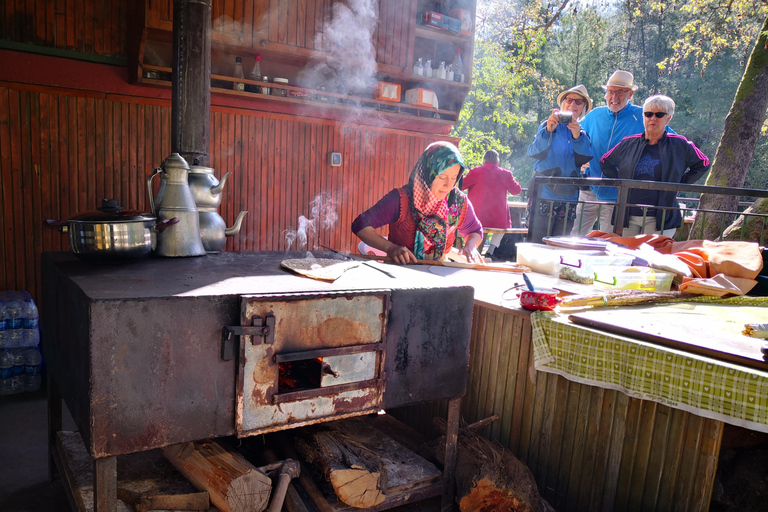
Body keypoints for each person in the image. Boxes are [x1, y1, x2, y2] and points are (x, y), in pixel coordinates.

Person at [571, 70, 672, 236]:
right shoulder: (595, 115)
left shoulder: (643, 116)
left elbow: (669, 139)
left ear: (630, 94)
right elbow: (575, 138)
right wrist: (577, 160)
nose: (614, 98)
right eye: (611, 92)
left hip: (618, 195)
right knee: (574, 237)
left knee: (609, 243)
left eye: (620, 92)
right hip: (589, 189)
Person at [351, 141, 484, 264]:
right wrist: (390, 248)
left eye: (454, 178)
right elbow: (361, 225)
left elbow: (475, 230)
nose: (448, 185)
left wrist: (471, 246)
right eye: (442, 177)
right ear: (427, 173)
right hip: (401, 273)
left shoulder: (457, 202)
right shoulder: (402, 199)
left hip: (439, 272)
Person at [599, 95, 710, 236]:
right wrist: (620, 183)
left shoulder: (679, 144)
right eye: (648, 114)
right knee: (627, 255)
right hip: (627, 215)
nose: (653, 118)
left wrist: (680, 183)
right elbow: (605, 161)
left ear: (668, 118)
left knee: (655, 257)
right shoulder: (628, 143)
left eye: (659, 114)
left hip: (661, 217)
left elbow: (703, 163)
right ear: (643, 116)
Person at [526, 84, 594, 243]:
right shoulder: (547, 125)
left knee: (560, 244)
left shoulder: (582, 133)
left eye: (578, 102)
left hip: (568, 199)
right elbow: (533, 152)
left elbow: (584, 158)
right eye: (569, 100)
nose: (573, 105)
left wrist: (577, 136)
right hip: (543, 195)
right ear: (562, 103)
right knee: (537, 244)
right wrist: (548, 130)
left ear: (583, 107)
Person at [462, 149, 522, 255]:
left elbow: (460, 186)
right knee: (504, 226)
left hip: (477, 218)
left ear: (483, 162)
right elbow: (517, 190)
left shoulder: (475, 172)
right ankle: (491, 250)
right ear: (497, 162)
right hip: (499, 221)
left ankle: (472, 250)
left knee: (469, 223)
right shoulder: (506, 174)